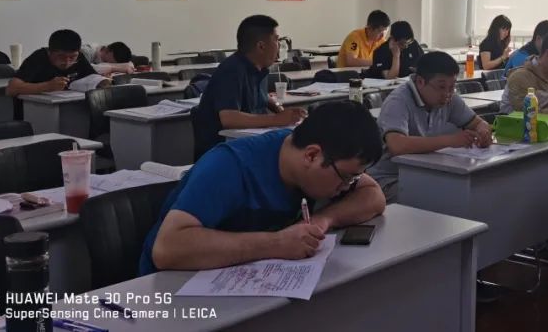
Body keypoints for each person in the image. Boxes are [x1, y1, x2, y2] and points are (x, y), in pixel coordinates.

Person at [141, 101, 386, 275]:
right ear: (312, 155)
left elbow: (373, 196)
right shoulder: (229, 166)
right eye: (346, 177)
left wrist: (323, 220)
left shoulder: (314, 157)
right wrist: (277, 243)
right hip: (172, 289)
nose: (346, 187)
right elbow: (167, 248)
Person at [371, 52, 494, 202]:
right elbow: (397, 145)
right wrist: (450, 141)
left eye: (452, 87)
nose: (447, 93)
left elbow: (479, 123)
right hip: (390, 179)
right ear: (420, 82)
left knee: (475, 189)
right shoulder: (398, 101)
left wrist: (483, 132)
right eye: (441, 87)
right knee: (443, 197)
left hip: (428, 172)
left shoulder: (449, 98)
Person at [191, 15, 308, 158]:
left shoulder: (259, 68)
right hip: (222, 153)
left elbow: (259, 96)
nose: (279, 46)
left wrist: (279, 108)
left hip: (248, 143)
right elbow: (230, 119)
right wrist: (278, 119)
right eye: (276, 40)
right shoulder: (232, 70)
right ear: (261, 46)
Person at [7, 29, 101, 97]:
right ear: (50, 52)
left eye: (72, 57)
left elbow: (94, 78)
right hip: (33, 108)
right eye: (61, 57)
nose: (67, 62)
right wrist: (47, 86)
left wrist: (103, 82)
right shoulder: (38, 58)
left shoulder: (79, 56)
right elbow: (11, 89)